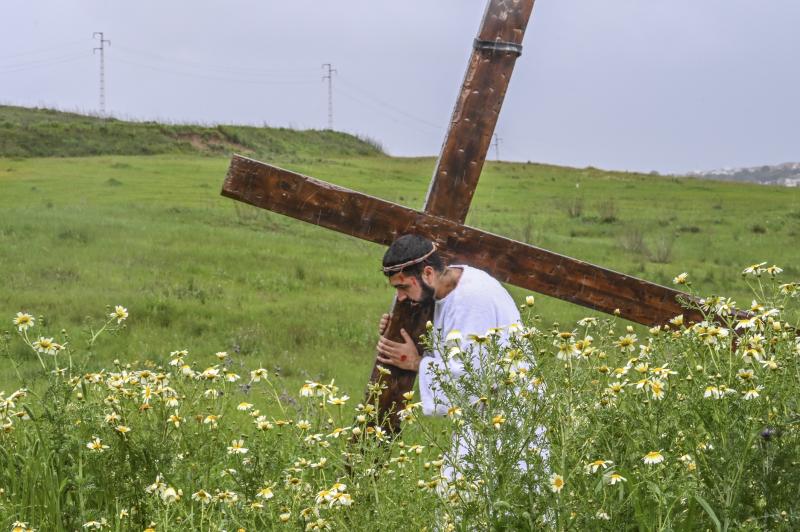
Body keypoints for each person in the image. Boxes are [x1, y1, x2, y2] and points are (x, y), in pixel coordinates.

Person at [374, 234, 521, 417]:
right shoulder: (439, 291)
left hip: (510, 415)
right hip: (483, 418)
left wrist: (416, 362)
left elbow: (472, 381)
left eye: (403, 287)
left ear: (428, 273)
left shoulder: (472, 300)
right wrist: (395, 328)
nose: (401, 297)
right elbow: (445, 346)